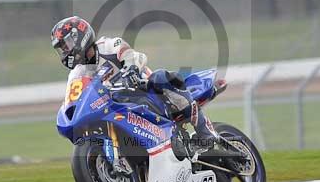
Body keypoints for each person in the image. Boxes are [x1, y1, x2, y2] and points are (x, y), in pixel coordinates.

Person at [51, 16, 227, 159]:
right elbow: (75, 98)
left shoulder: (107, 45)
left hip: (148, 92)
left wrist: (131, 67)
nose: (64, 52)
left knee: (161, 77)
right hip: (119, 106)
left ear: (79, 38)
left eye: (65, 45)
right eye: (61, 49)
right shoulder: (77, 74)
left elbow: (129, 54)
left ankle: (206, 134)